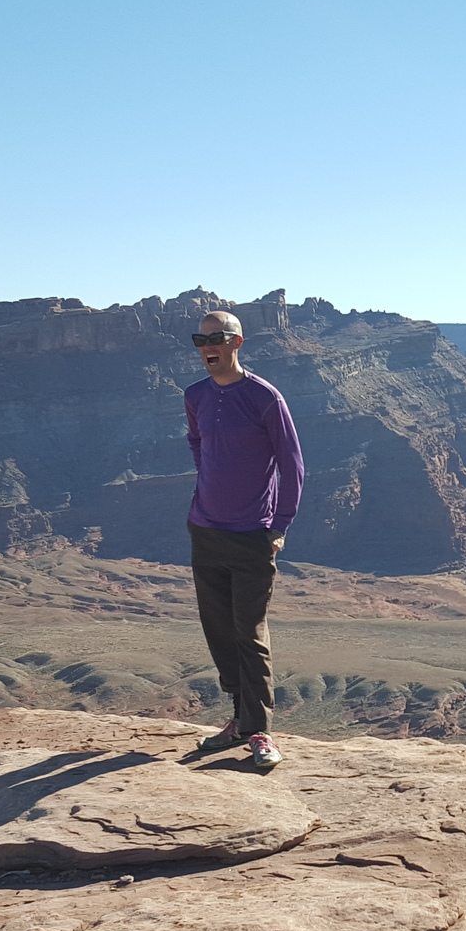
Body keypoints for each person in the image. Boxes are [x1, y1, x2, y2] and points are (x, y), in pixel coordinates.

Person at [184, 309, 305, 770]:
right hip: (205, 528)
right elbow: (197, 443)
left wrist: (280, 525)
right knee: (218, 631)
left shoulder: (264, 397)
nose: (207, 346)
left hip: (253, 532)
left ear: (237, 342)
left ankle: (260, 732)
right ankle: (238, 718)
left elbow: (292, 463)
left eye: (216, 337)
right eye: (200, 339)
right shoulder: (195, 395)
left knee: (248, 632)